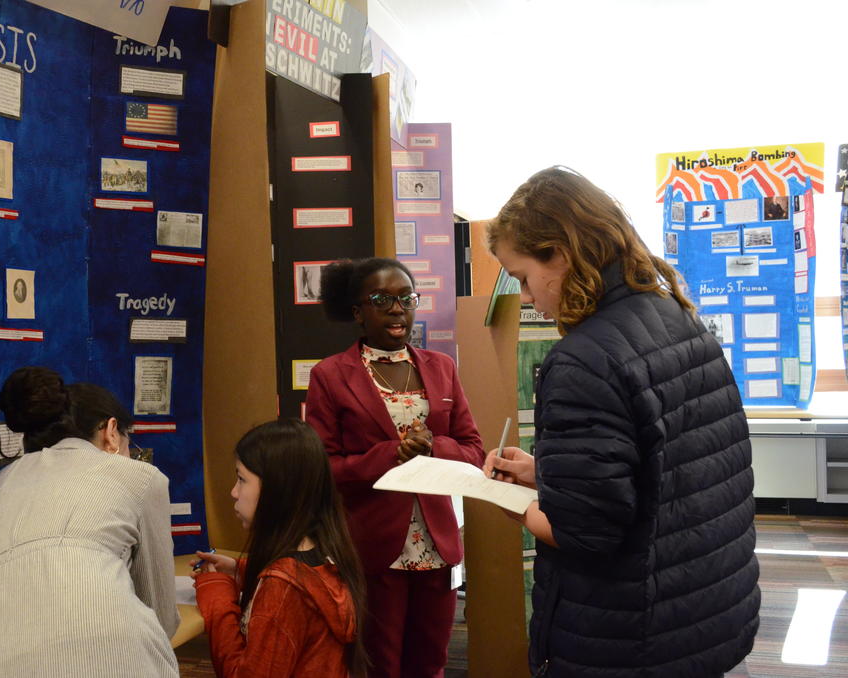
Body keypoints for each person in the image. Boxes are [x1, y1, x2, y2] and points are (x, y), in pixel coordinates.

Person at [483, 167, 760, 678]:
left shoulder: (584, 359)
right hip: (702, 608)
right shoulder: (675, 315)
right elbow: (665, 469)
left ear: (560, 255)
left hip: (630, 636)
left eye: (522, 277)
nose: (525, 297)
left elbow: (585, 534)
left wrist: (514, 504)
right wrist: (549, 474)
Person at [305, 257, 484, 678]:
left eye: (406, 298)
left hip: (437, 544)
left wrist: (435, 446)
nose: (397, 309)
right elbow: (323, 468)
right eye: (382, 300)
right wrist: (391, 454)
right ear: (358, 312)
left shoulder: (441, 367)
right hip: (373, 542)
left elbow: (473, 450)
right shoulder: (330, 375)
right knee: (380, 664)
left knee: (431, 662)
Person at [0, 367, 180, 678]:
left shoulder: (2, 482)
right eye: (130, 444)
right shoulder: (139, 478)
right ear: (111, 432)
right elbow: (162, 616)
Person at [191, 419, 366, 677]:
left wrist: (217, 597)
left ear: (278, 489)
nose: (234, 492)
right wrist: (241, 570)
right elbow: (308, 582)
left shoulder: (283, 588)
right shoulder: (324, 549)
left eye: (241, 479)